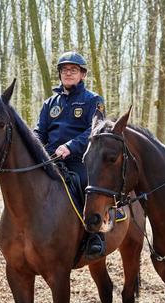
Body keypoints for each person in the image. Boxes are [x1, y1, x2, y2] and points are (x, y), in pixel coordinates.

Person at [34, 51, 106, 258]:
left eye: (73, 70)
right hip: (49, 158)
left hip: (81, 159)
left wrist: (70, 146)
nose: (68, 73)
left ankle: (94, 235)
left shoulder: (93, 100)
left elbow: (95, 130)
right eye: (64, 70)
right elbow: (41, 131)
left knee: (86, 184)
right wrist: (32, 143)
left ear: (82, 74)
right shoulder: (50, 103)